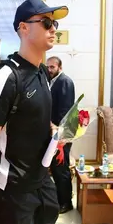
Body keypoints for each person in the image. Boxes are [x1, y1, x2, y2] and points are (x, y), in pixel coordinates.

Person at [0, 0, 69, 224]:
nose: (53, 29)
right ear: (24, 27)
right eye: (46, 22)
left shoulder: (42, 72)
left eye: (54, 24)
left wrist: (52, 132)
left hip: (41, 179)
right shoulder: (7, 76)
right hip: (13, 188)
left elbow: (31, 118)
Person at [47, 56, 75, 213]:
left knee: (61, 169)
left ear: (60, 67)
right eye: (48, 67)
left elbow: (65, 111)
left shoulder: (64, 81)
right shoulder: (53, 81)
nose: (49, 70)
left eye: (52, 67)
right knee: (57, 169)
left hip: (62, 134)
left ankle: (66, 203)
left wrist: (59, 133)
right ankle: (60, 199)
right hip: (55, 132)